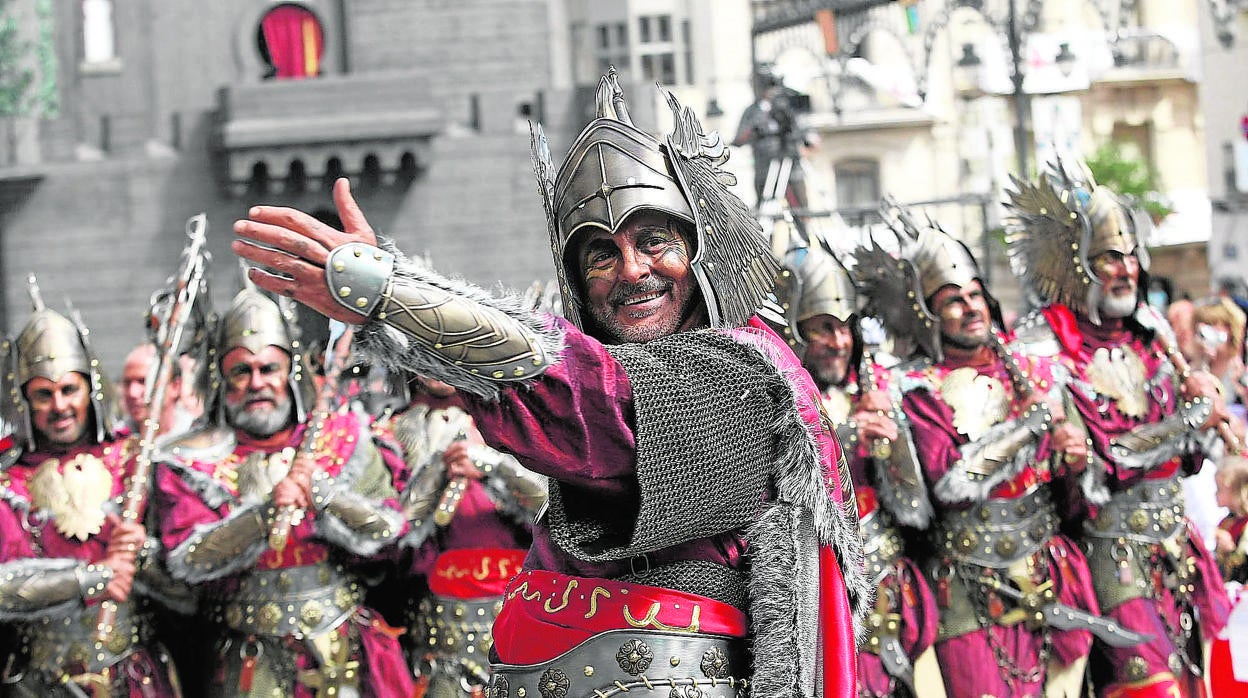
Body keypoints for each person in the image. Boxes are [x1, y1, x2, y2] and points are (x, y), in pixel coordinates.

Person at [233, 68, 867, 697]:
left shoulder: (745, 375)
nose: (632, 270)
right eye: (601, 254)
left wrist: (393, 295)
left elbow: (593, 399)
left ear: (700, 248)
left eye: (654, 241)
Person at [1005, 158, 1235, 697]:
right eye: (1111, 257)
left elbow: (1191, 454)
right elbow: (1107, 459)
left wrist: (1204, 407)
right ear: (1077, 263)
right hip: (1109, 547)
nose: (1127, 269)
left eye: (1131, 255)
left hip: (1177, 544)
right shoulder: (1045, 345)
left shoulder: (1149, 333)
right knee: (1149, 688)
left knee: (1193, 680)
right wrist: (1190, 420)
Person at [858, 205, 1106, 698]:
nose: (971, 307)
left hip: (1047, 572)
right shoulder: (914, 388)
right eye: (952, 300)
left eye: (975, 295)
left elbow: (1080, 496)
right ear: (928, 312)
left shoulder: (1040, 372)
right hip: (968, 587)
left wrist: (1079, 461)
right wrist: (1032, 425)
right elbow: (951, 484)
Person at [153, 282, 414, 697]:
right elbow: (187, 560)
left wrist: (324, 494)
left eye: (268, 368)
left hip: (342, 646)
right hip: (248, 657)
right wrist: (261, 515)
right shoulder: (187, 461)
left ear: (288, 372)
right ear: (222, 378)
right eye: (242, 370)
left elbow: (390, 533)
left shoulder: (345, 435)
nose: (257, 382)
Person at [773, 237, 939, 698]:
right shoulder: (775, 400)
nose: (840, 340)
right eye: (824, 327)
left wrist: (895, 438)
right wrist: (846, 439)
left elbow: (911, 505)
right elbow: (782, 486)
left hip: (892, 588)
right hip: (823, 596)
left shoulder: (874, 390)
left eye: (846, 326)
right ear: (793, 330)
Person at [0, 281, 183, 695]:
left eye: (69, 389)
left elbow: (190, 588)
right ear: (25, 402)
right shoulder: (6, 480)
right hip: (41, 680)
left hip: (132, 672)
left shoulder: (135, 460)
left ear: (90, 389)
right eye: (44, 395)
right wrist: (90, 579)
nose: (60, 406)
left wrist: (144, 555)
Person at [393, 375, 546, 697]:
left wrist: (498, 467)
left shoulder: (523, 419)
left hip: (525, 616)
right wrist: (434, 474)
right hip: (437, 624)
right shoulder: (391, 431)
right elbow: (391, 534)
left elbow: (558, 510)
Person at [120, 342, 199, 440]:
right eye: (127, 383)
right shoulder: (110, 446)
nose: (132, 393)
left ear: (176, 386)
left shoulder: (201, 445)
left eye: (144, 382)